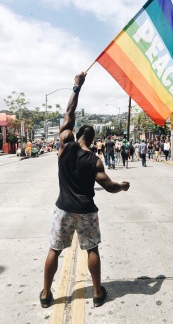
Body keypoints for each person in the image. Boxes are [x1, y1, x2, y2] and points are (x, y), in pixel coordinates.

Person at [40, 73, 130, 309]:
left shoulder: (64, 147)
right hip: (86, 211)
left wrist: (77, 87)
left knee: (54, 249)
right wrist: (122, 186)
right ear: (93, 140)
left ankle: (45, 293)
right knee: (92, 249)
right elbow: (109, 187)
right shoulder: (95, 160)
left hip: (63, 208)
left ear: (77, 135)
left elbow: (69, 114)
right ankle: (98, 293)